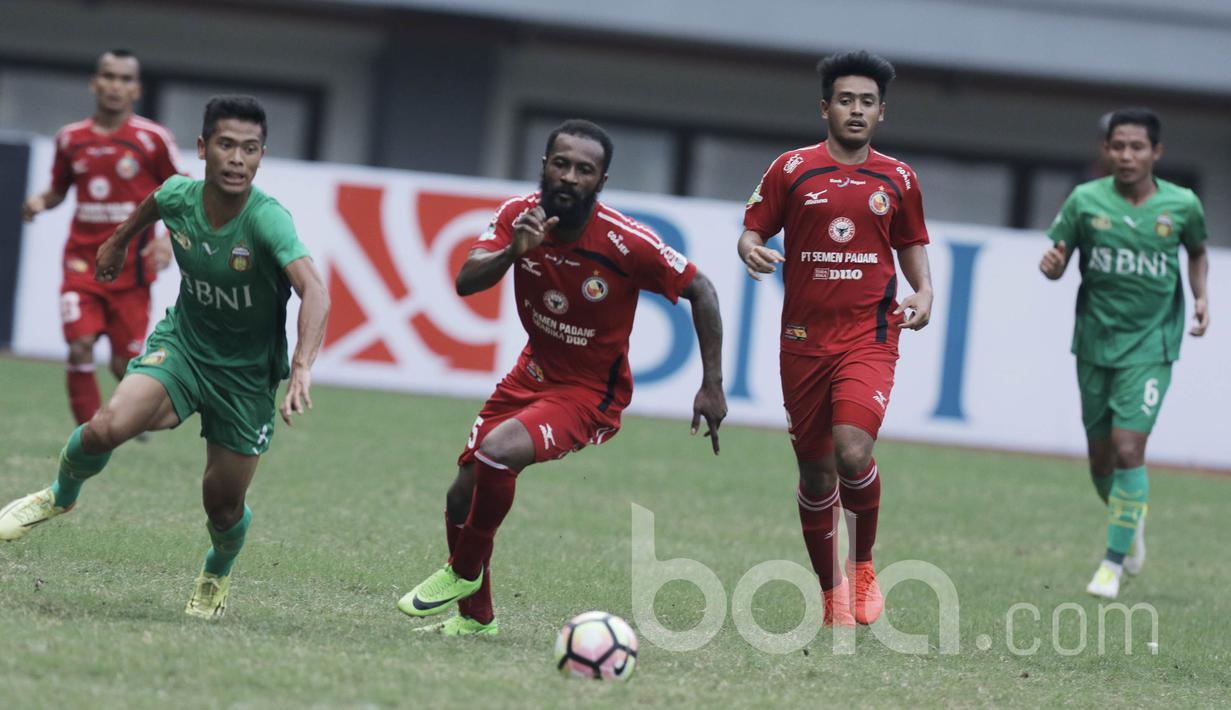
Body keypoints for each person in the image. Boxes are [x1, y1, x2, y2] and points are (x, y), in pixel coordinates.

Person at [0, 96, 331, 620]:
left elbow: (315, 289)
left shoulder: (267, 221)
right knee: (107, 426)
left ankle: (216, 571)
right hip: (183, 349)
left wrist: (304, 366)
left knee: (222, 507)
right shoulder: (180, 194)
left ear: (261, 156)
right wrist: (117, 243)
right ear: (202, 148)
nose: (237, 159)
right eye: (226, 145)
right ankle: (59, 495)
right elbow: (155, 201)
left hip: (245, 380)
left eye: (249, 149)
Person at [397, 119, 727, 636]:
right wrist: (514, 252)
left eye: (584, 170)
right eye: (562, 164)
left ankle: (463, 571)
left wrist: (712, 384)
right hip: (531, 372)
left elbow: (701, 289)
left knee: (497, 452)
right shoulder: (517, 216)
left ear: (602, 181)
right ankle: (476, 620)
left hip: (589, 393)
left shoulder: (626, 242)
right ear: (544, 166)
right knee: (461, 493)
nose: (570, 177)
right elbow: (466, 281)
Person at [738, 51, 933, 626]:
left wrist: (924, 291)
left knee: (852, 451)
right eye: (846, 100)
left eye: (867, 102)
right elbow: (752, 229)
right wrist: (750, 249)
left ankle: (863, 565)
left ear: (881, 113)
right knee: (817, 472)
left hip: (870, 335)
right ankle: (831, 594)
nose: (856, 110)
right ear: (825, 108)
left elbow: (911, 241)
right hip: (802, 340)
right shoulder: (791, 168)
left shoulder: (899, 178)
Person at [1039, 107, 1209, 600]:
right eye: (1118, 146)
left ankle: (1111, 566)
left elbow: (1198, 252)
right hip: (1094, 343)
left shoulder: (1182, 205)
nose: (1127, 155)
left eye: (1137, 147)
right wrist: (1052, 265)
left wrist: (1201, 296)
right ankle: (1130, 521)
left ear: (1156, 152)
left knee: (1129, 448)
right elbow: (1057, 259)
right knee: (1101, 462)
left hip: (1153, 345)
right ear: (1105, 150)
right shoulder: (1085, 200)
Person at [22, 49, 181, 425]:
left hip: (132, 270)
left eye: (125, 79)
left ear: (136, 89)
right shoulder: (70, 138)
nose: (115, 85)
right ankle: (90, 437)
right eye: (108, 76)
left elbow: (181, 191)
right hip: (82, 264)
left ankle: (138, 415)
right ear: (94, 83)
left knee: (125, 364)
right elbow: (58, 190)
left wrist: (166, 240)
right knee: (80, 347)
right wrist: (39, 201)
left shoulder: (153, 138)